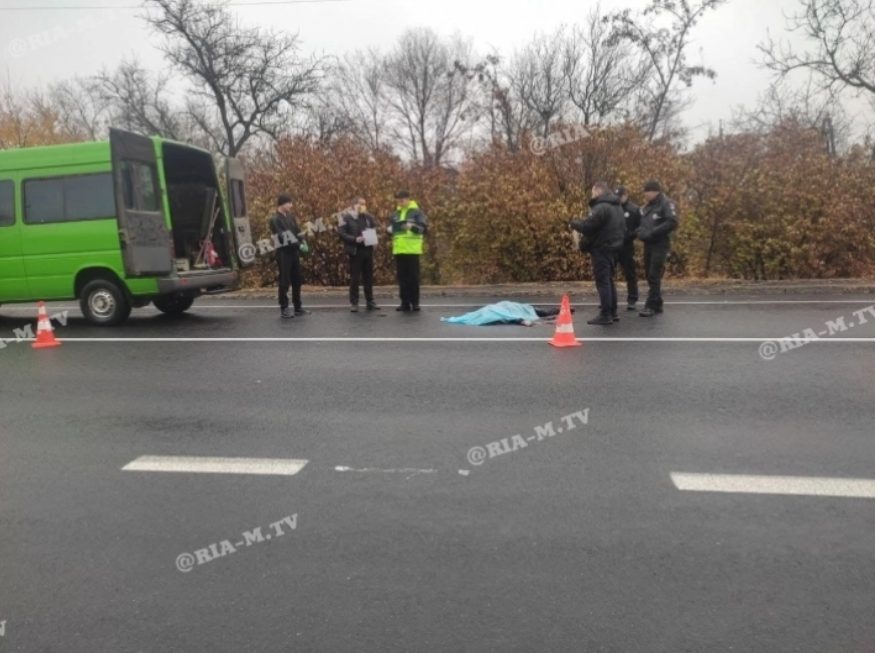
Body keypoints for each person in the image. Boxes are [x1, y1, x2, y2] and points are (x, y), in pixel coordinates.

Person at [570, 181, 625, 325]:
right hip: (614, 248)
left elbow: (589, 226)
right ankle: (612, 312)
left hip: (602, 248)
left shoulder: (601, 207)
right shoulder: (617, 207)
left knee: (603, 282)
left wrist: (575, 224)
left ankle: (606, 314)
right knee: (609, 280)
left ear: (599, 191)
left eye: (593, 193)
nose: (592, 195)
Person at [636, 180, 679, 317]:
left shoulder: (666, 203)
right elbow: (642, 222)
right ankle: (657, 302)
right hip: (648, 244)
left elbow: (672, 221)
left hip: (660, 244)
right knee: (649, 274)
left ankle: (651, 306)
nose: (645, 195)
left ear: (654, 191)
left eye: (647, 192)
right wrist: (640, 232)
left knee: (654, 274)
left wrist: (654, 232)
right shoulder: (647, 206)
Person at [269, 194, 310, 319]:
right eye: (289, 203)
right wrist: (299, 245)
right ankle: (284, 308)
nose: (291, 206)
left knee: (297, 280)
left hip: (294, 252)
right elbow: (283, 236)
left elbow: (297, 230)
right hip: (283, 253)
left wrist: (303, 240)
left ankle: (298, 307)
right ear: (282, 204)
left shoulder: (291, 217)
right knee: (284, 280)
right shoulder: (275, 219)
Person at [337, 197, 379, 312]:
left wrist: (374, 241)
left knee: (368, 277)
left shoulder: (368, 217)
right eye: (360, 204)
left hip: (367, 249)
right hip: (355, 251)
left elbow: (373, 228)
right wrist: (355, 239)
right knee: (355, 278)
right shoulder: (346, 217)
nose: (363, 206)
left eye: (364, 204)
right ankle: (354, 303)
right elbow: (341, 233)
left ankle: (370, 301)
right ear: (354, 205)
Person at [390, 190, 428, 312]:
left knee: (413, 278)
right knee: (402, 278)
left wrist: (411, 227)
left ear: (408, 199)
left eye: (402, 200)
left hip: (412, 249)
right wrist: (389, 230)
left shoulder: (417, 212)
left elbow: (424, 229)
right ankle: (404, 302)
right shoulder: (396, 213)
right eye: (398, 200)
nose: (400, 202)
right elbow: (392, 230)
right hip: (399, 250)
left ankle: (415, 302)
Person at [615, 186, 641, 311]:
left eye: (620, 196)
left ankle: (632, 299)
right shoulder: (613, 208)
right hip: (613, 245)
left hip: (627, 245)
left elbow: (640, 227)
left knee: (630, 273)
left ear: (626, 195)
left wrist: (630, 235)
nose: (619, 199)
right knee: (609, 273)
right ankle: (610, 299)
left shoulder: (634, 209)